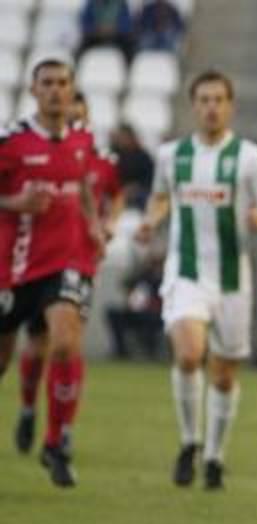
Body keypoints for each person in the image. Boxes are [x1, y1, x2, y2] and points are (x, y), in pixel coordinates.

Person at [138, 69, 257, 490]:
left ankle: (216, 457)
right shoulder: (172, 156)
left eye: (218, 99)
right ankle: (189, 443)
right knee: (188, 354)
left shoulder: (250, 158)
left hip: (232, 281)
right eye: (203, 99)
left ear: (230, 105)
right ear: (193, 105)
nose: (210, 107)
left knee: (223, 375)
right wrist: (150, 221)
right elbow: (161, 197)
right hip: (185, 273)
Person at [0, 59, 105, 487]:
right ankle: (28, 413)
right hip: (13, 266)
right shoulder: (12, 141)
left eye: (63, 83)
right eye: (48, 84)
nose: (56, 91)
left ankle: (56, 441)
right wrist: (15, 204)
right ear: (33, 89)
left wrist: (93, 223)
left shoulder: (82, 139)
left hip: (65, 261)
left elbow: (81, 186)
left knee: (65, 343)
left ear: (73, 88)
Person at [13, 91, 123, 457]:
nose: (74, 120)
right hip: (28, 260)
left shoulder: (99, 157)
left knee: (65, 342)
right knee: (37, 342)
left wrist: (106, 223)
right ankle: (29, 407)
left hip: (77, 261)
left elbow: (114, 193)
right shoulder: (29, 147)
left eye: (80, 115)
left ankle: (60, 434)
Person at [110, 124, 154, 208]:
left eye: (124, 137)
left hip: (138, 191)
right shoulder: (114, 155)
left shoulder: (143, 156)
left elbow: (149, 177)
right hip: (118, 191)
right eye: (120, 137)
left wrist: (135, 187)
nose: (122, 140)